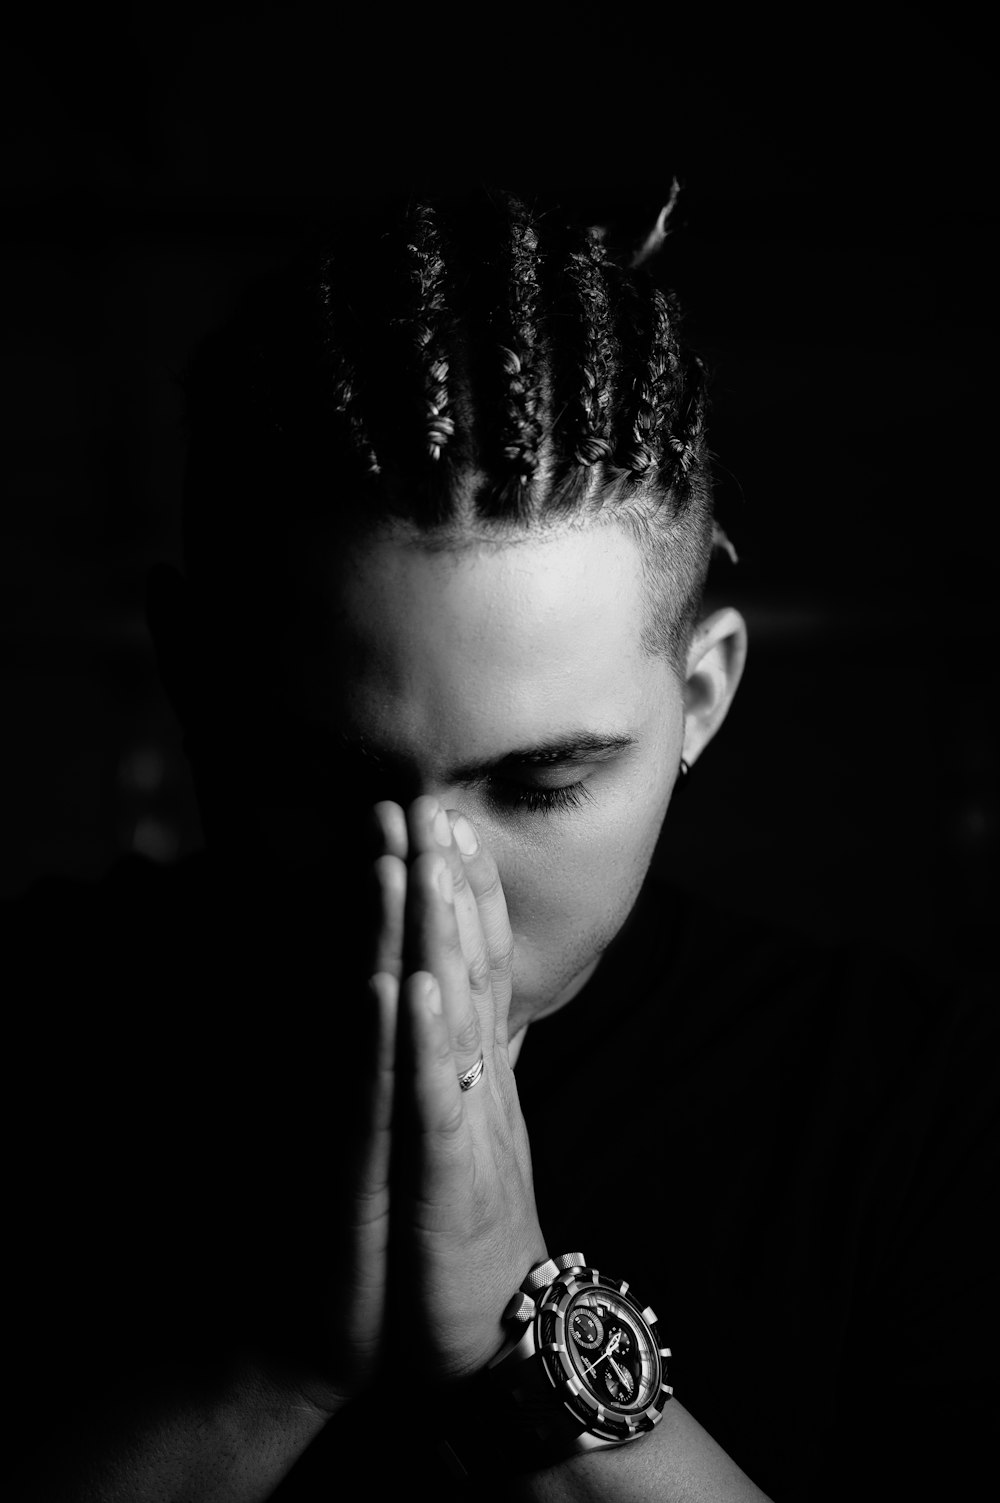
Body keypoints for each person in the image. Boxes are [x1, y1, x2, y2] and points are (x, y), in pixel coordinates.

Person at [6, 188, 995, 1502]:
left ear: (699, 700)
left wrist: (515, 1329)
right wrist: (270, 1361)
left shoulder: (912, 1119)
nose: (429, 876)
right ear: (193, 681)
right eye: (328, 778)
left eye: (539, 786)